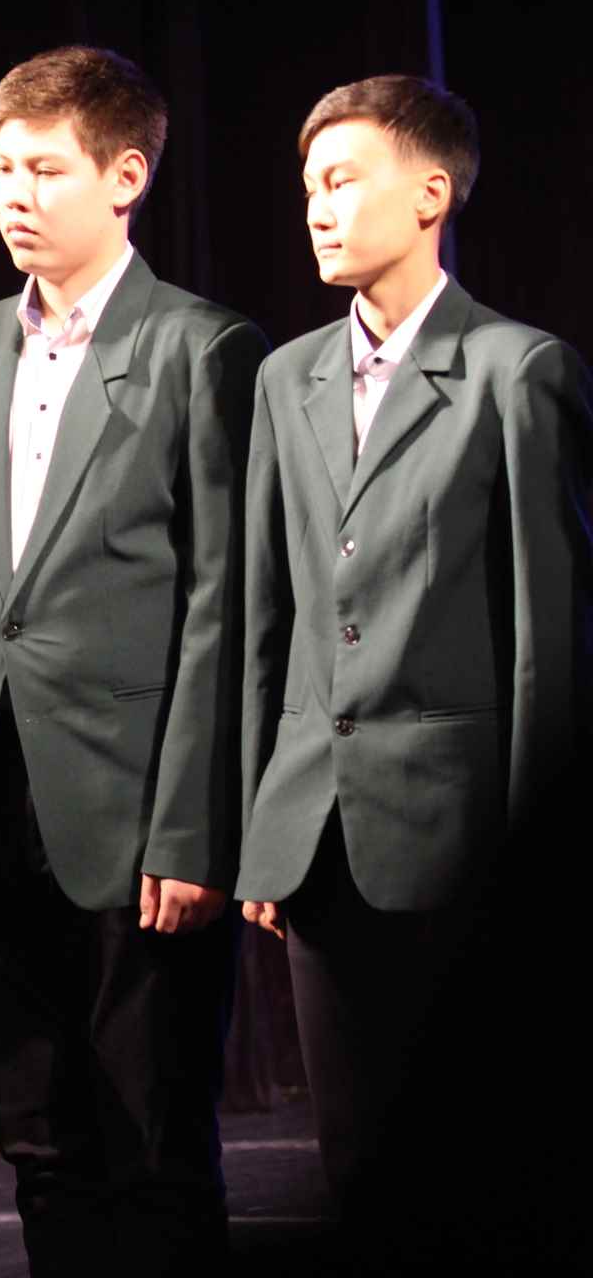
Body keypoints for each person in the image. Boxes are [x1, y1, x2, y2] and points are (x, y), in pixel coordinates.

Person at [0, 48, 265, 1276]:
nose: (15, 192)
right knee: (38, 1142)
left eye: (45, 168)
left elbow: (222, 601)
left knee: (154, 1144)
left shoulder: (201, 347)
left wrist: (195, 826)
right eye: (2, 166)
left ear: (126, 177)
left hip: (137, 808)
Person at [238, 74, 593, 1267]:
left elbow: (551, 640)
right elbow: (274, 611)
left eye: (343, 180)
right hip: (318, 834)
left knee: (479, 1160)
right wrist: (266, 823)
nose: (317, 208)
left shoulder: (516, 369)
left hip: (462, 839)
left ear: (432, 193)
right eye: (307, 187)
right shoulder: (286, 378)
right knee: (354, 1161)